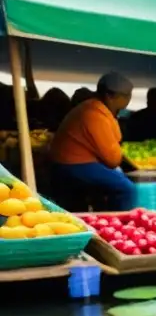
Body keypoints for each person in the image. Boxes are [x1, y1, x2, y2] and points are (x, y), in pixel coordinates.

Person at [49, 72, 137, 211]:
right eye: (126, 96)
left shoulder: (94, 107)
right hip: (72, 165)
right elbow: (112, 159)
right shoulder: (95, 115)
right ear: (110, 96)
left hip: (72, 163)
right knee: (126, 188)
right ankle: (119, 223)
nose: (129, 100)